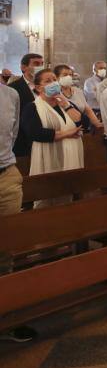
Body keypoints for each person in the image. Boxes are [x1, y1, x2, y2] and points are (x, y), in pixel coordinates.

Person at [0, 83, 38, 343]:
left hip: (6, 174)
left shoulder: (10, 95)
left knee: (6, 247)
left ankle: (6, 316)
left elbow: (11, 136)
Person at [22, 69, 84, 207]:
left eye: (54, 80)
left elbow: (81, 122)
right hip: (47, 156)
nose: (53, 83)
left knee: (67, 196)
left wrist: (66, 105)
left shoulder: (65, 104)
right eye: (48, 81)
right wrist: (67, 134)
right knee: (46, 197)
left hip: (70, 154)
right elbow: (35, 133)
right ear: (38, 87)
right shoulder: (32, 108)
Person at [9, 53, 44, 156]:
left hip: (47, 138)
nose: (41, 67)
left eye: (42, 63)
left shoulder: (48, 87)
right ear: (23, 67)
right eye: (36, 64)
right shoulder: (13, 88)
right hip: (24, 141)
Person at [53, 65, 103, 132]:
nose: (68, 77)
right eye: (65, 75)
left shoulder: (78, 91)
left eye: (70, 75)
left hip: (81, 128)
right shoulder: (55, 93)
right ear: (56, 77)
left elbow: (87, 110)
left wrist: (97, 123)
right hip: (63, 129)